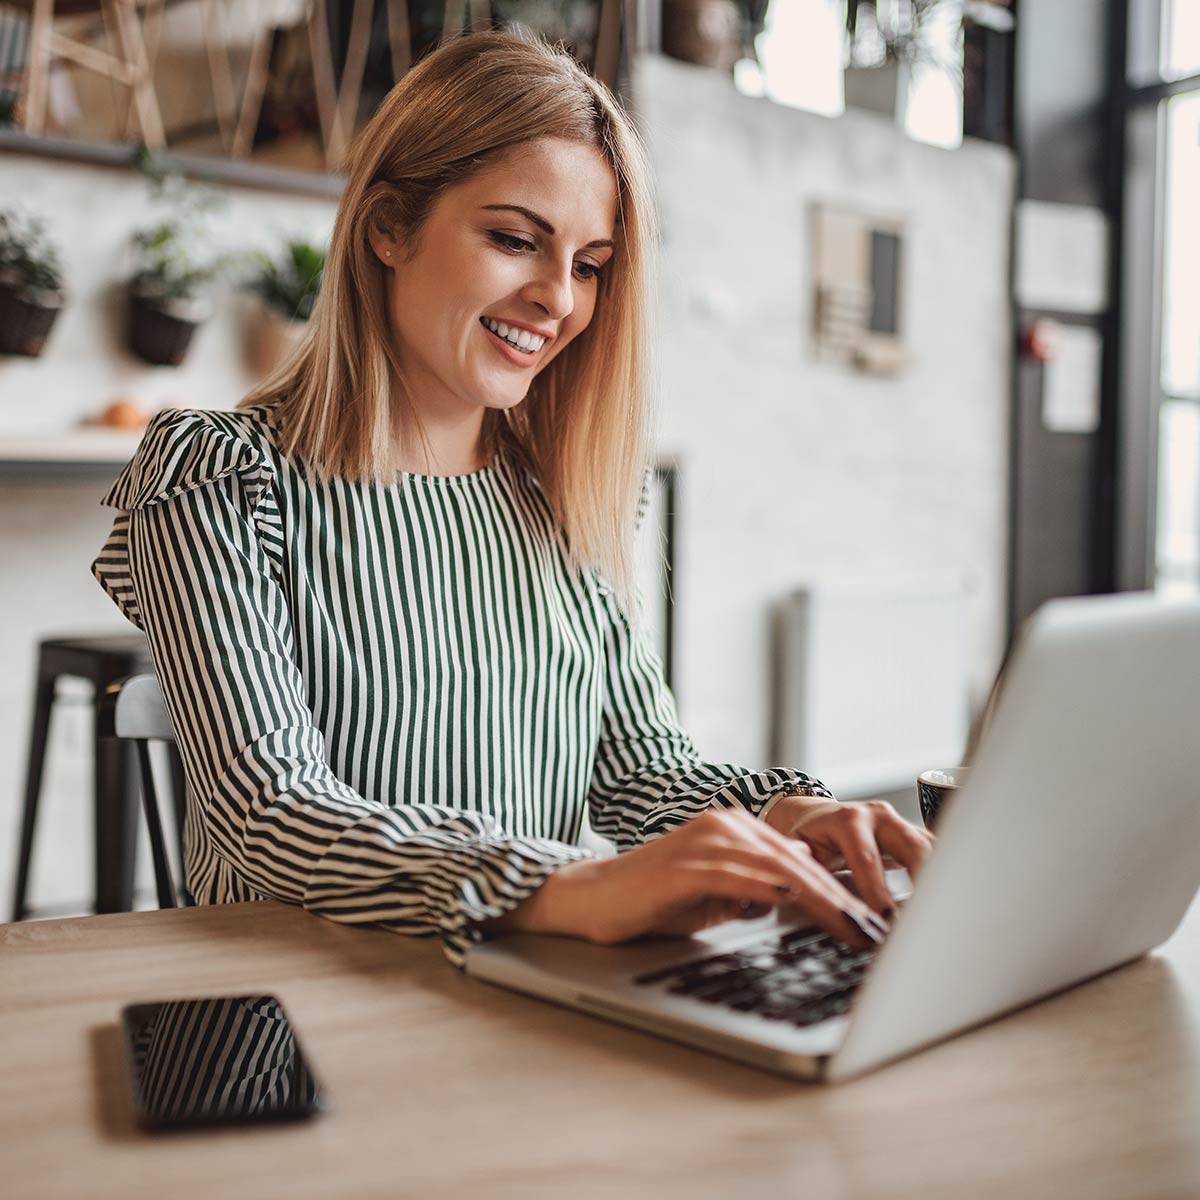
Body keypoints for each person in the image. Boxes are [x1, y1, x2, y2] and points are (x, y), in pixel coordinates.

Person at [92, 29, 933, 967]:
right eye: (514, 240)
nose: (558, 300)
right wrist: (561, 885)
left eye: (589, 263)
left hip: (521, 990)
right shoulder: (220, 480)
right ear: (387, 228)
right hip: (304, 1008)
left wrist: (787, 814)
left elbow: (639, 770)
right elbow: (273, 815)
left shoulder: (556, 497)